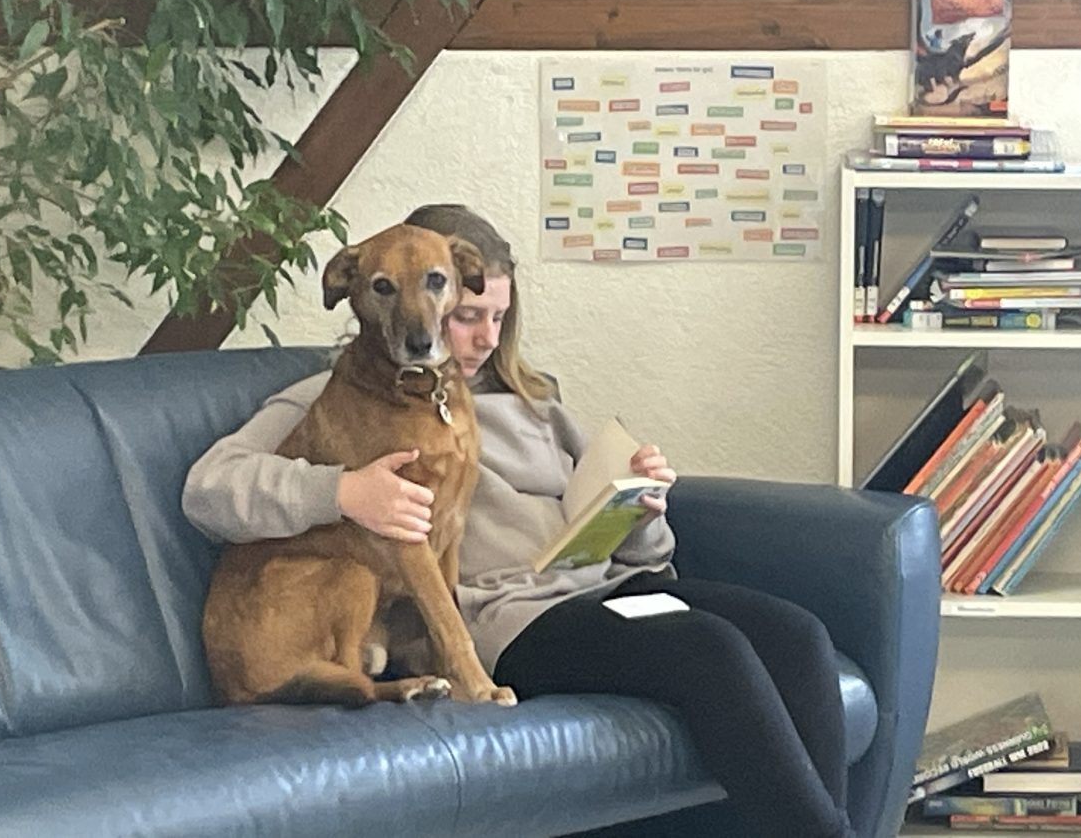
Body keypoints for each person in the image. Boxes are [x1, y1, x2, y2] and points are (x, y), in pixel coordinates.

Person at [183, 204, 855, 838]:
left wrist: (641, 510)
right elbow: (210, 487)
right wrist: (341, 491)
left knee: (798, 634)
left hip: (604, 588)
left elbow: (642, 560)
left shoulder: (538, 405)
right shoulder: (342, 395)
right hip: (515, 617)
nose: (483, 337)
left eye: (499, 318)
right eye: (469, 317)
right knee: (712, 650)